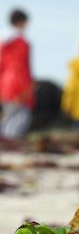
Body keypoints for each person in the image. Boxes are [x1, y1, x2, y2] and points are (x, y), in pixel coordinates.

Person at [0, 8, 35, 139]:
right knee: (21, 118)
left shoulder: (3, 42)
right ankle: (10, 145)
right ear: (21, 22)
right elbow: (20, 66)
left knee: (8, 117)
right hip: (18, 83)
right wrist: (25, 88)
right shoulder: (21, 42)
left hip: (5, 84)